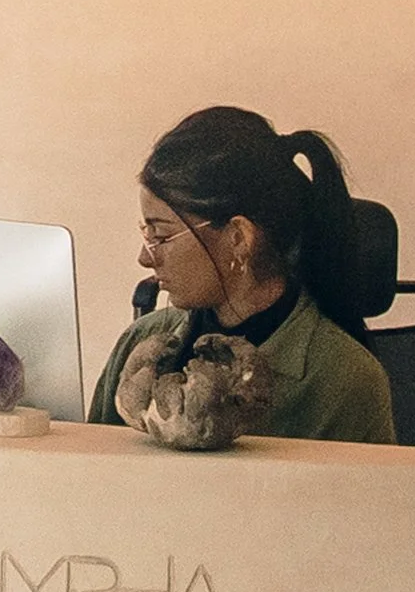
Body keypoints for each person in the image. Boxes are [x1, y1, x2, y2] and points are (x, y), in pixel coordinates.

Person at [89, 106, 396, 444]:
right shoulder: (138, 344)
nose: (145, 258)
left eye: (160, 236)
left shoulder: (346, 381)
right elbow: (86, 478)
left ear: (238, 237)